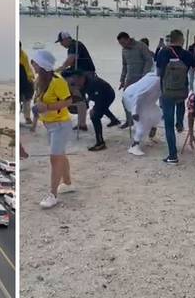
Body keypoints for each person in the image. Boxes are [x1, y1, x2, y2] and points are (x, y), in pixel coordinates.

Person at [31, 50, 74, 208]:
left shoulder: (58, 81)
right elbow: (38, 103)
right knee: (60, 155)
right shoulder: (40, 81)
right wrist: (35, 122)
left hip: (61, 125)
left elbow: (68, 101)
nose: (33, 65)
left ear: (42, 65)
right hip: (49, 125)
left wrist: (48, 106)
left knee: (54, 158)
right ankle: (68, 184)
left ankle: (52, 194)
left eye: (34, 62)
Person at [156, 29, 195, 164]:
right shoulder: (186, 53)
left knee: (168, 125)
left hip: (167, 92)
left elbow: (158, 72)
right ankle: (180, 123)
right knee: (181, 102)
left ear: (171, 40)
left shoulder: (163, 52)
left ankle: (172, 156)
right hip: (182, 91)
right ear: (181, 40)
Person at [62, 70, 120, 151]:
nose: (74, 84)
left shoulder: (93, 84)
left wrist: (94, 109)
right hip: (98, 94)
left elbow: (99, 100)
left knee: (94, 116)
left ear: (80, 78)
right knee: (102, 109)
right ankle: (114, 120)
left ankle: (100, 143)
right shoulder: (79, 82)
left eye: (74, 82)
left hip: (107, 95)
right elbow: (82, 98)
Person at [55, 31, 96, 131]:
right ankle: (81, 121)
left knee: (71, 87)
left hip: (84, 74)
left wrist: (62, 67)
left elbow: (71, 58)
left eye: (61, 42)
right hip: (84, 72)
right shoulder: (75, 45)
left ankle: (75, 97)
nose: (61, 44)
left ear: (66, 39)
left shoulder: (74, 45)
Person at [117, 32, 154, 129]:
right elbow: (124, 66)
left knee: (142, 103)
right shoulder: (124, 50)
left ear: (128, 39)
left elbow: (148, 60)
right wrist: (122, 80)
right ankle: (129, 121)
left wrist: (144, 76)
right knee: (125, 100)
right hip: (129, 80)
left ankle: (150, 124)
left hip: (142, 79)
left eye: (123, 42)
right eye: (120, 44)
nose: (122, 45)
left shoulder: (141, 46)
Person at [122, 71, 161, 156]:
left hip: (146, 101)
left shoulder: (163, 80)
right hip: (132, 98)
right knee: (142, 123)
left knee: (157, 115)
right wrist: (134, 112)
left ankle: (150, 137)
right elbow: (138, 94)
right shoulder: (154, 81)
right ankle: (134, 146)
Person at [20, 42, 35, 125]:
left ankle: (27, 117)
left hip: (26, 80)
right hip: (20, 81)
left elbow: (27, 69)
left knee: (27, 100)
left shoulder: (24, 56)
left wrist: (30, 79)